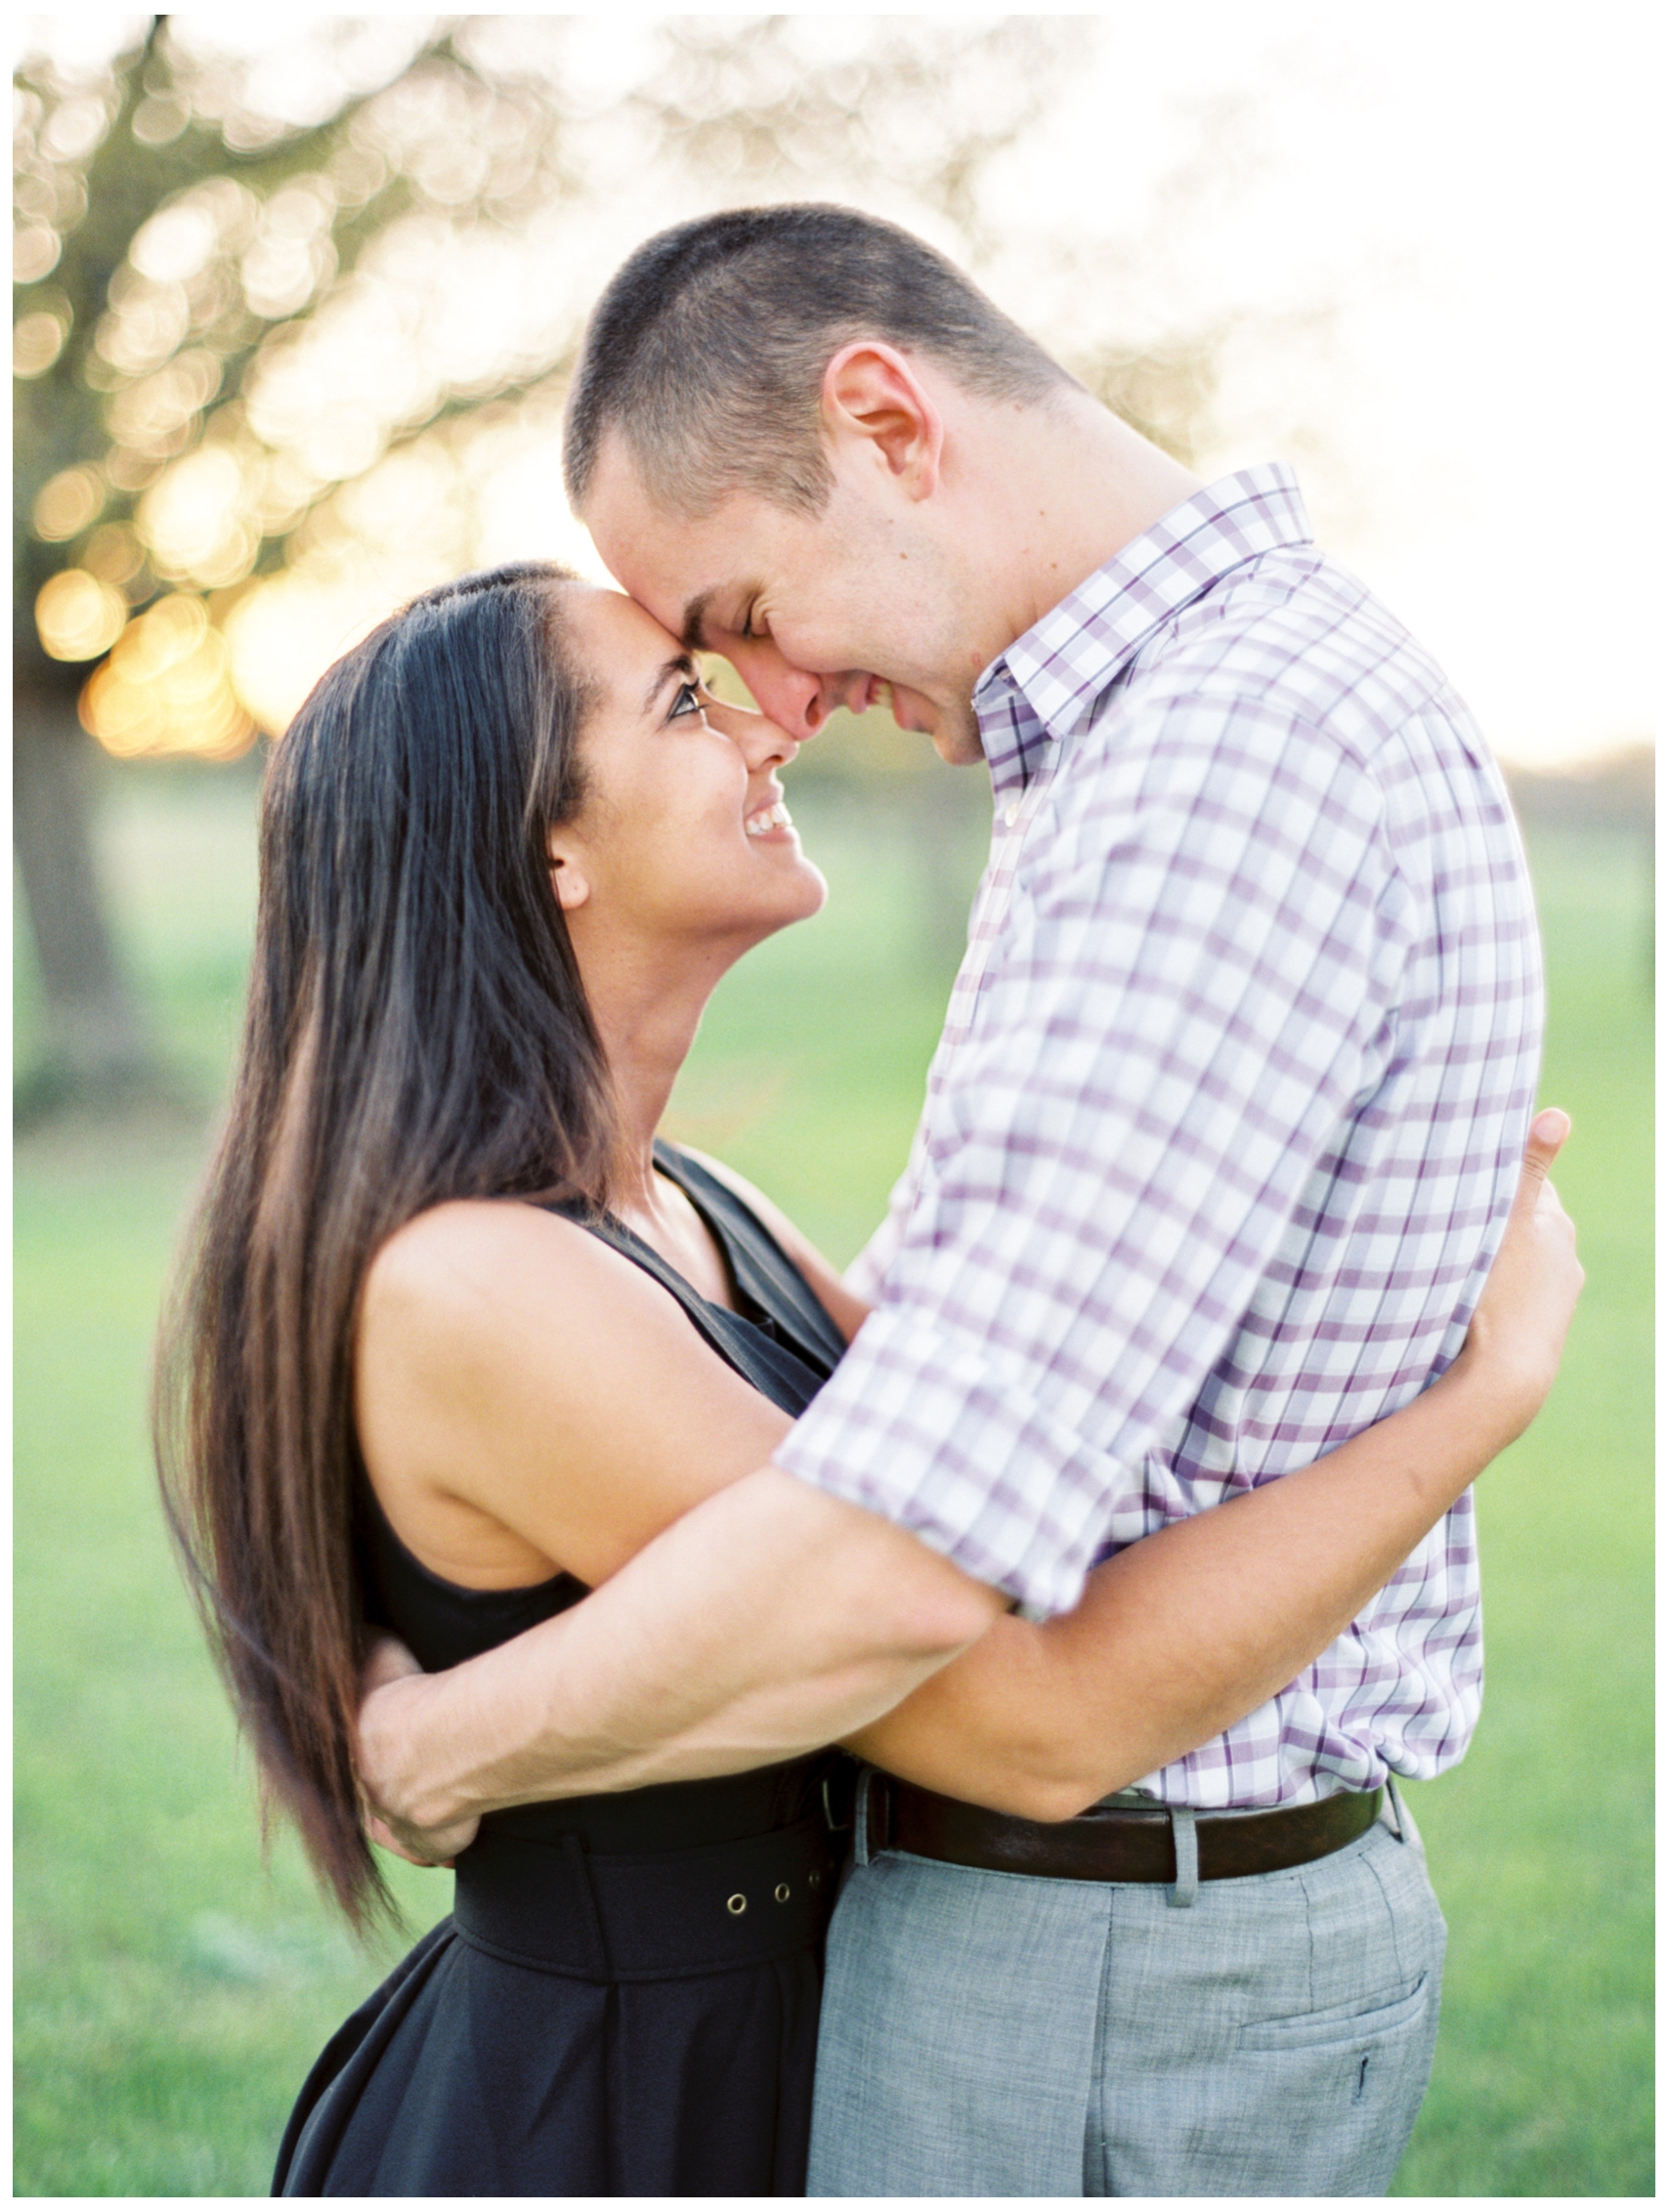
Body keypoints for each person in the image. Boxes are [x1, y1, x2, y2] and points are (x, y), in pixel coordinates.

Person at [353, 207, 1563, 2196]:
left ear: (886, 421)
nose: (776, 697)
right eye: (701, 667)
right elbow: (914, 1375)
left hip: (1101, 1948)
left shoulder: (1216, 759)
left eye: (741, 611)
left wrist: (444, 1747)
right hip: (1119, 1933)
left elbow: (916, 1555)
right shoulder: (1156, 739)